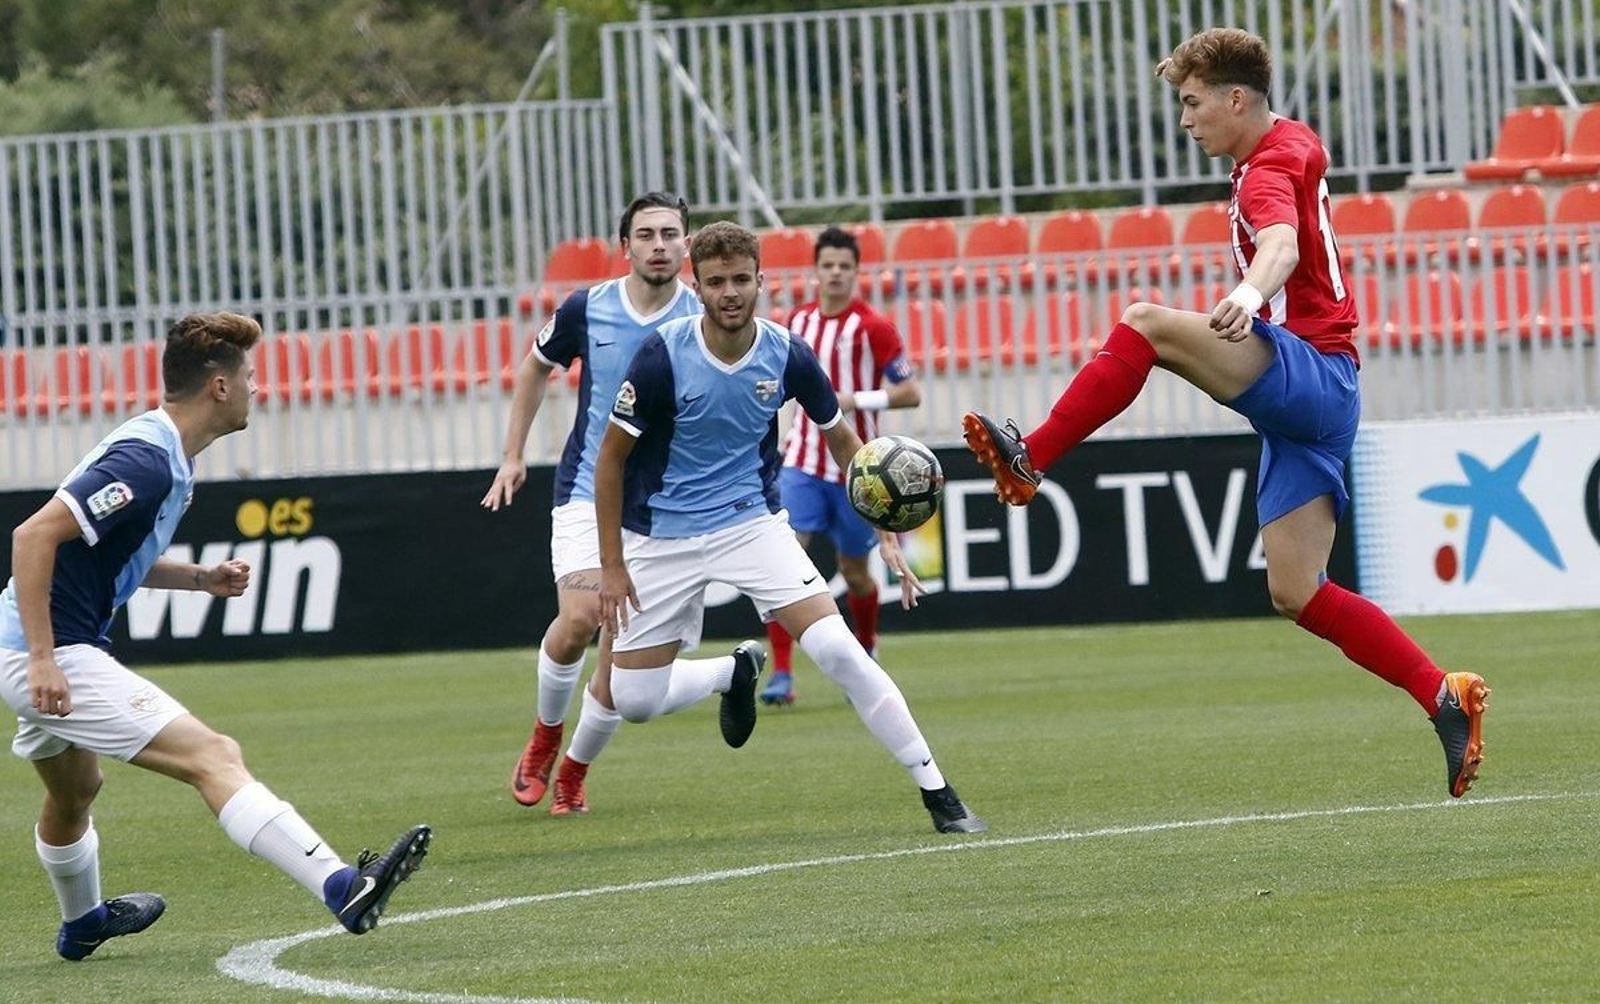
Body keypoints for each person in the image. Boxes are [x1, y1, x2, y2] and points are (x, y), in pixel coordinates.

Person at [963, 27, 1489, 800]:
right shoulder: (1288, 143)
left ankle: (1031, 456)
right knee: (1296, 590)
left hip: (1312, 373)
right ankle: (1442, 694)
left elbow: (1279, 244)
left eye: (1191, 102)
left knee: (1145, 323)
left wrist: (1247, 293)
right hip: (1315, 401)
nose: (1185, 120)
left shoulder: (1266, 167)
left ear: (1235, 99)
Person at [0, 313, 429, 961]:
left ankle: (83, 922)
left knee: (74, 792)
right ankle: (343, 886)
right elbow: (33, 536)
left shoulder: (168, 456)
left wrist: (199, 578)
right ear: (219, 387)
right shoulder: (145, 461)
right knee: (214, 755)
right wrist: (42, 659)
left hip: (37, 643)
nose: (258, 387)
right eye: (250, 376)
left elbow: (113, 554)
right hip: (48, 649)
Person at [595, 221, 984, 834]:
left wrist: (885, 532)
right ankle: (731, 673)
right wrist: (612, 566)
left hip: (749, 523)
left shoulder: (787, 353)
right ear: (697, 287)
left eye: (740, 280)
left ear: (762, 281)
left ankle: (939, 792)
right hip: (661, 535)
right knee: (634, 701)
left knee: (837, 649)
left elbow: (846, 444)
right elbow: (609, 460)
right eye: (716, 282)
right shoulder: (659, 356)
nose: (730, 292)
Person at [482, 192, 714, 817]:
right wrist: (512, 454)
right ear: (626, 246)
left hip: (663, 509)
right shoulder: (588, 308)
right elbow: (535, 368)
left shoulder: (702, 317)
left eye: (670, 234)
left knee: (620, 666)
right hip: (588, 488)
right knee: (583, 615)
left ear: (687, 244)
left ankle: (574, 774)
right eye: (647, 235)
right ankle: (545, 735)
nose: (660, 245)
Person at [760, 226, 922, 706]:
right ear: (816, 270)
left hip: (860, 470)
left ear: (856, 272)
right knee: (785, 563)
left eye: (844, 266)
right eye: (827, 265)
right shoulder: (798, 321)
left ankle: (867, 650)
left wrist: (854, 399)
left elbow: (910, 392)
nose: (835, 273)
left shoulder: (873, 327)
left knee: (854, 572)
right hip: (803, 463)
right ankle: (782, 674)